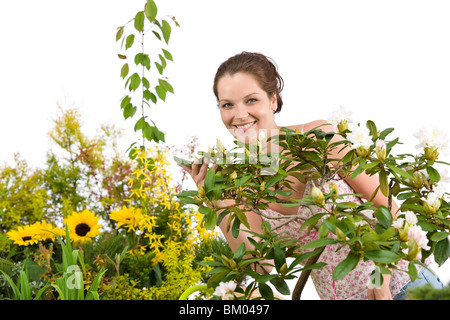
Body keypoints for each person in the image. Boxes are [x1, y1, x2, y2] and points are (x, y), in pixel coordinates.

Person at [179, 51, 443, 300]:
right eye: (227, 105)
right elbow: (260, 263)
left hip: (403, 285)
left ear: (273, 99)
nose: (239, 115)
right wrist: (215, 198)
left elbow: (388, 207)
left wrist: (381, 278)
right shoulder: (243, 181)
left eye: (251, 100)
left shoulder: (317, 138)